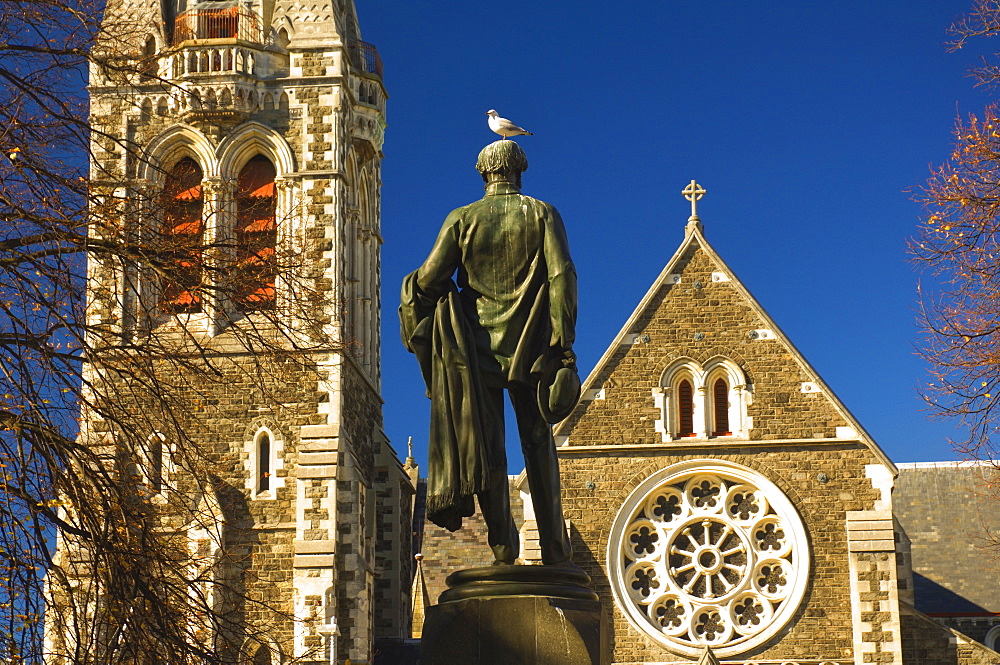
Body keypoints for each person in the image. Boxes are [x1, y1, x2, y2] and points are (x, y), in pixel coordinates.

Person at [400, 140, 578, 565]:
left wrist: (415, 295)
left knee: (489, 448)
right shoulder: (542, 213)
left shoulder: (462, 219)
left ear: (483, 175)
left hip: (476, 350)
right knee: (539, 444)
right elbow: (561, 277)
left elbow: (428, 279)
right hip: (533, 346)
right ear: (520, 171)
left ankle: (503, 549)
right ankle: (554, 550)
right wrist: (564, 341)